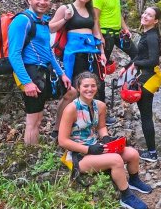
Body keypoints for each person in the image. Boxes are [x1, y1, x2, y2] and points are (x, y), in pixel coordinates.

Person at [58, 72, 151, 209]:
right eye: (85, 86)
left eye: (93, 86)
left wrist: (106, 138)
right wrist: (88, 149)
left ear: (97, 87)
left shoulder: (100, 105)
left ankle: (134, 180)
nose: (89, 89)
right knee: (116, 160)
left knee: (132, 154)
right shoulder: (71, 109)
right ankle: (126, 196)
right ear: (78, 88)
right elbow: (62, 141)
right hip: (78, 156)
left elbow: (101, 127)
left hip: (96, 147)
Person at [8, 0, 72, 145]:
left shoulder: (43, 22)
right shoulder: (23, 20)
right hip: (31, 73)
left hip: (44, 72)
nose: (42, 2)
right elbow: (14, 54)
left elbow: (48, 53)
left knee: (71, 93)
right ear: (29, 0)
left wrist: (62, 73)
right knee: (33, 120)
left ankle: (56, 132)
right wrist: (26, 82)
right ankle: (30, 155)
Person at [49, 0, 107, 137]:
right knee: (71, 92)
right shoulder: (66, 9)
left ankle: (82, 126)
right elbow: (50, 28)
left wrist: (102, 52)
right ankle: (57, 128)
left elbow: (96, 34)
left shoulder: (90, 11)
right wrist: (65, 19)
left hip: (90, 55)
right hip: (73, 56)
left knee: (89, 90)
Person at [93, 0, 138, 125]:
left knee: (137, 54)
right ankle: (101, 112)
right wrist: (99, 37)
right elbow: (95, 18)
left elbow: (118, 15)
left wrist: (125, 28)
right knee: (100, 71)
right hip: (105, 35)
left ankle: (126, 79)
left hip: (117, 33)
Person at [123, 7, 161, 162]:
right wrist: (128, 66)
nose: (145, 16)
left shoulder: (152, 36)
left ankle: (152, 153)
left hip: (148, 79)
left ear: (156, 21)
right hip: (145, 76)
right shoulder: (147, 34)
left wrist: (135, 65)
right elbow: (140, 56)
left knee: (146, 116)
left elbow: (153, 60)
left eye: (150, 15)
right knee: (145, 115)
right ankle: (151, 150)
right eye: (145, 13)